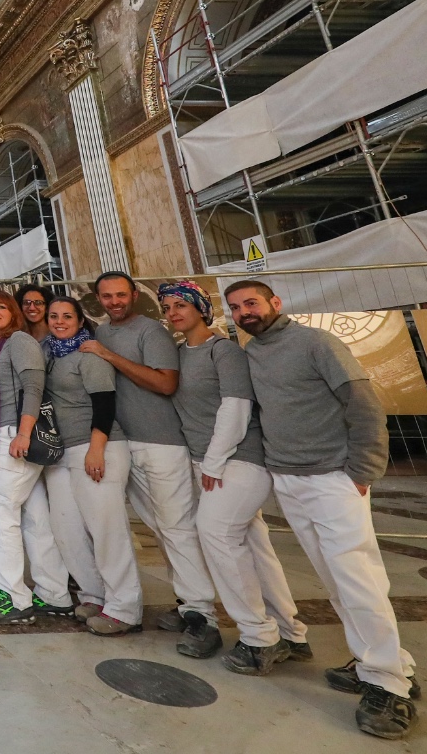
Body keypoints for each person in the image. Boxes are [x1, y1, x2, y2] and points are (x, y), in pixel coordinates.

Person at [227, 279, 418, 740]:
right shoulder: (251, 353)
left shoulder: (316, 342)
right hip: (289, 479)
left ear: (275, 302)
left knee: (357, 577)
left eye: (251, 303)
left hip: (334, 478)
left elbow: (364, 405)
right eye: (235, 307)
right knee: (335, 579)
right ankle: (388, 662)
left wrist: (362, 470)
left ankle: (389, 687)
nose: (244, 312)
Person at [158, 281, 308, 673]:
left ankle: (259, 637)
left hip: (237, 460)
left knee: (216, 533)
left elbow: (236, 407)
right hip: (204, 461)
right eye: (166, 306)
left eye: (181, 304)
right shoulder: (179, 353)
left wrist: (213, 462)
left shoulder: (222, 350)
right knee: (254, 545)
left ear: (200, 309)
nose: (173, 312)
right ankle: (291, 631)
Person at [82, 272, 218, 647]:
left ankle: (203, 614)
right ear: (98, 299)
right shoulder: (101, 333)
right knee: (160, 529)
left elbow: (165, 383)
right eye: (107, 296)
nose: (115, 302)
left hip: (161, 443)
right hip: (126, 443)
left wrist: (109, 356)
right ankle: (187, 599)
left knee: (177, 527)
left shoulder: (151, 331)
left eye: (121, 295)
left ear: (133, 296)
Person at [40, 296, 144, 637]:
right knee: (67, 528)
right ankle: (94, 594)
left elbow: (104, 403)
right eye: (53, 315)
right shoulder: (51, 354)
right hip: (62, 452)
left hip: (97, 446)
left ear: (79, 320)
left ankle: (125, 607)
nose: (59, 321)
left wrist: (96, 449)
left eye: (67, 316)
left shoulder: (90, 353)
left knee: (106, 528)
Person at [0, 291, 75, 626]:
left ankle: (13, 597)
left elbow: (34, 387)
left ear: (14, 312)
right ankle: (54, 593)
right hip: (4, 437)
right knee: (35, 520)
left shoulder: (19, 340)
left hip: (13, 439)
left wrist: (23, 433)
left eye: (1, 306)